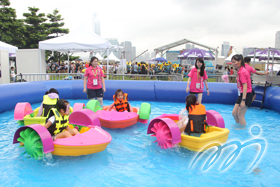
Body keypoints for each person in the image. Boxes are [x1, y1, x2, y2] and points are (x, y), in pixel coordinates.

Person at [231, 54, 253, 126]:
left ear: (240, 61)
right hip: (241, 94)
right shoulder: (239, 70)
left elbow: (245, 86)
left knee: (241, 116)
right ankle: (238, 126)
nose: (233, 64)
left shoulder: (242, 72)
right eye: (232, 62)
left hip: (246, 94)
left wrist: (243, 100)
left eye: (234, 62)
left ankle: (242, 131)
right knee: (234, 113)